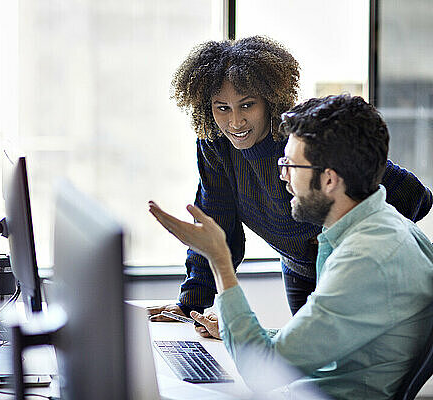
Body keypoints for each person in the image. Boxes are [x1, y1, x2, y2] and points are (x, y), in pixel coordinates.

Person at [149, 94, 433, 399]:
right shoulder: (379, 227)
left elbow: (264, 371)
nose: (282, 176)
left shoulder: (363, 259)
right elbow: (325, 346)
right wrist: (236, 333)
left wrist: (219, 258)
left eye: (290, 165)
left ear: (329, 180)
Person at [147, 36, 433, 332]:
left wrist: (358, 254)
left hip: (344, 270)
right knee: (309, 363)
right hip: (297, 269)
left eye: (247, 105)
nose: (235, 122)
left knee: (340, 363)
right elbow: (216, 225)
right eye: (222, 108)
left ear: (269, 100)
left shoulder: (302, 139)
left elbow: (414, 196)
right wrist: (190, 303)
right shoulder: (215, 145)